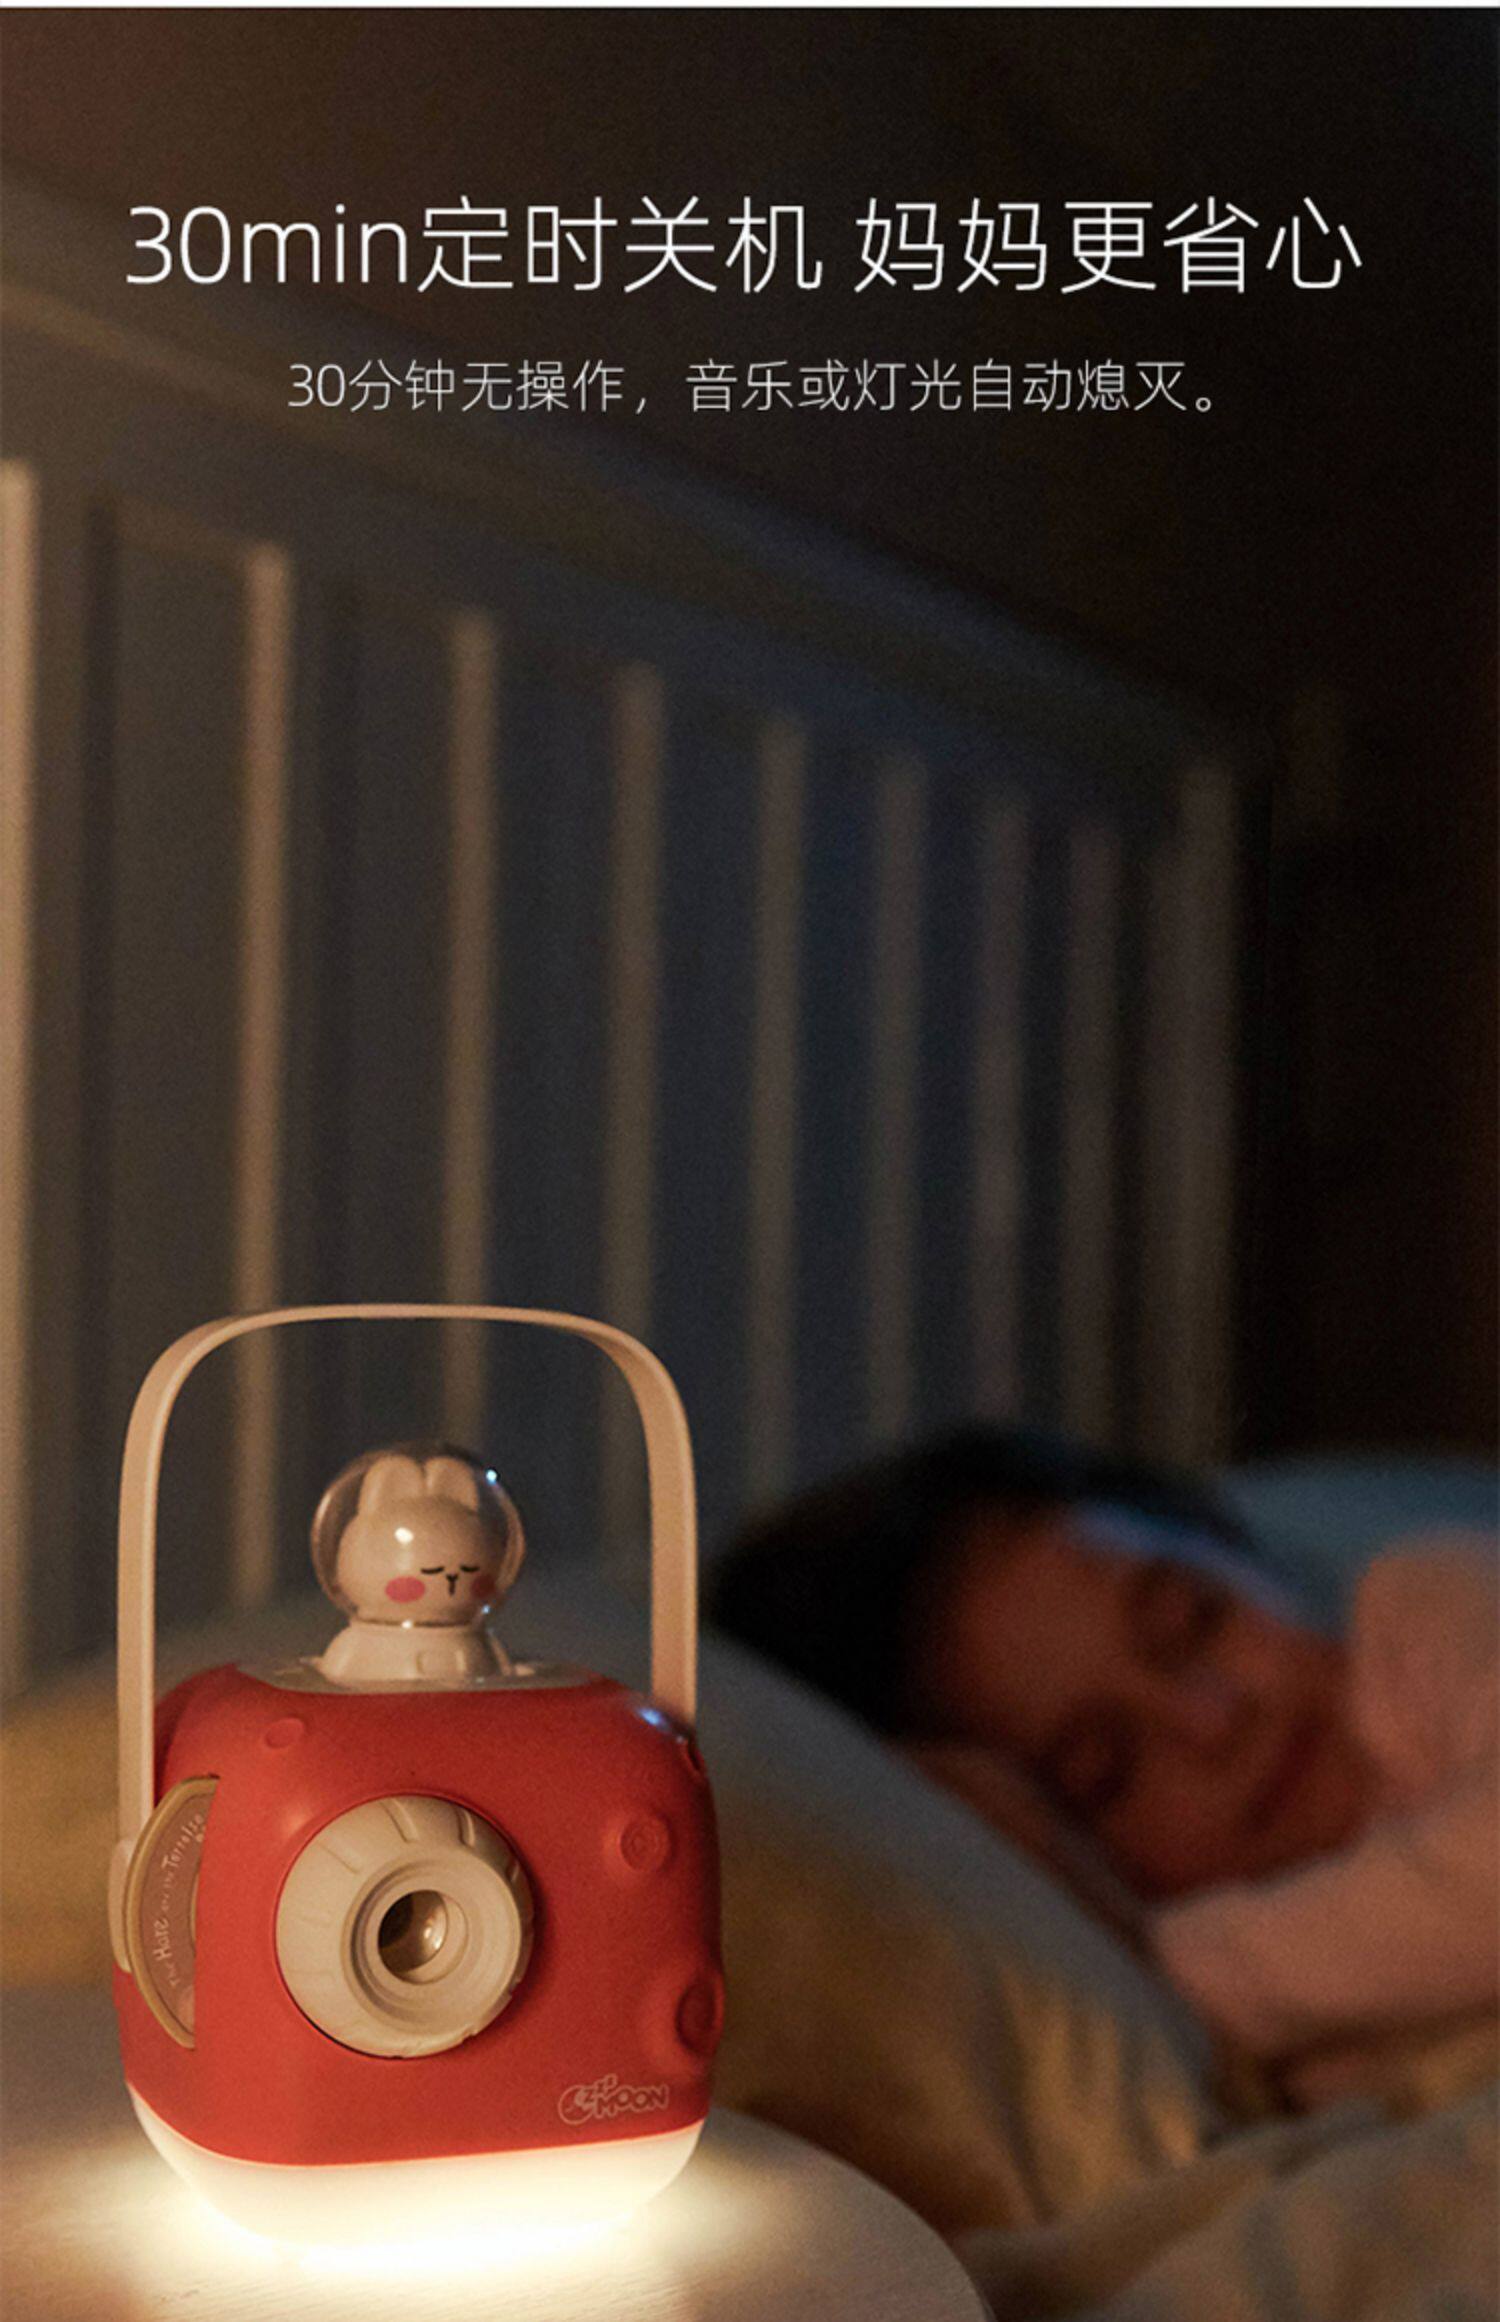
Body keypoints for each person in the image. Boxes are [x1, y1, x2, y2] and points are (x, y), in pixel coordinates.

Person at [711, 1429, 1498, 2080]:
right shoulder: (1260, 2064)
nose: (1211, 1720)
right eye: (1108, 1773)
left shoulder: (1430, 1604)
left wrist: (1178, 1967)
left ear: (1237, 1548)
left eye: (1195, 1619)